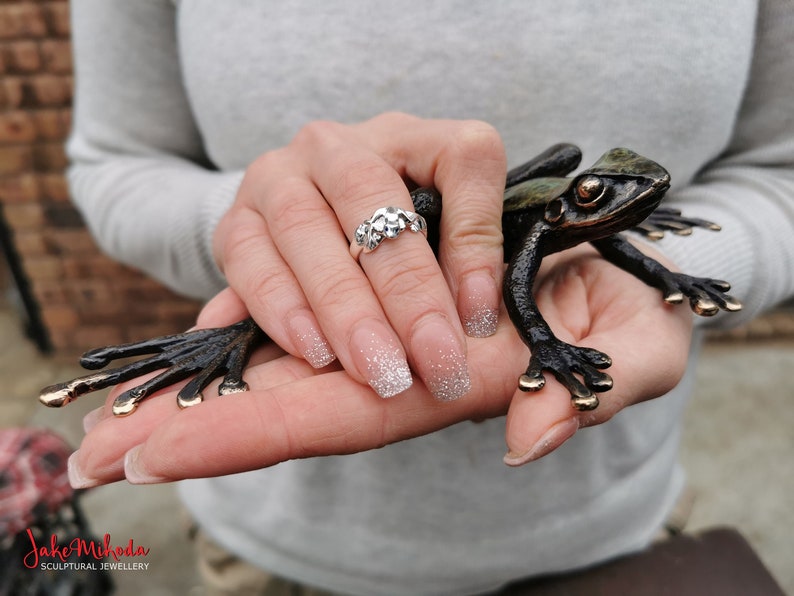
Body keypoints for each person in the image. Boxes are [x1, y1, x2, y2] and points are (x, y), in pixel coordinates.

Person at [64, 2, 794, 594]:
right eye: (602, 198)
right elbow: (517, 291)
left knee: (581, 189)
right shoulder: (549, 224)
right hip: (277, 547)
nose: (616, 213)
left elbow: (756, 181)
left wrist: (678, 271)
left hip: (622, 528)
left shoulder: (573, 225)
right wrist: (259, 229)